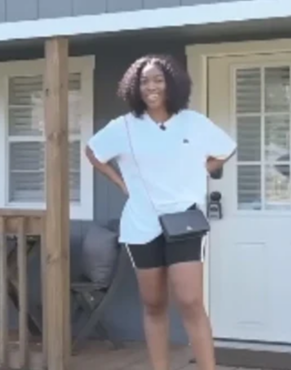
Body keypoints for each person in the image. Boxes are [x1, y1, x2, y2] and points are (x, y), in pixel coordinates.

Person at [85, 54, 237, 370]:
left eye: (158, 79)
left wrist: (201, 171)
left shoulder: (193, 122)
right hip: (142, 225)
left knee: (190, 302)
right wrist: (122, 184)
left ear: (171, 84)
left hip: (184, 223)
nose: (151, 86)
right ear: (134, 88)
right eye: (143, 81)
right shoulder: (124, 127)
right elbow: (93, 152)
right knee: (153, 304)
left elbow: (226, 149)